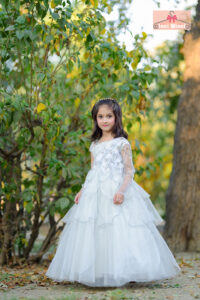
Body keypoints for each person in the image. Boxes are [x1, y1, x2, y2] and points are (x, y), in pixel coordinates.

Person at [45, 98, 181, 287]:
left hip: (116, 190)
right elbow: (93, 171)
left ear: (117, 118)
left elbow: (129, 170)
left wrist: (122, 191)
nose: (105, 120)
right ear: (96, 119)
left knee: (120, 229)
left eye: (109, 116)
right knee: (96, 229)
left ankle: (126, 270)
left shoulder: (121, 143)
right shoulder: (95, 145)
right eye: (100, 116)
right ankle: (100, 270)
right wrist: (83, 190)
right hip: (96, 192)